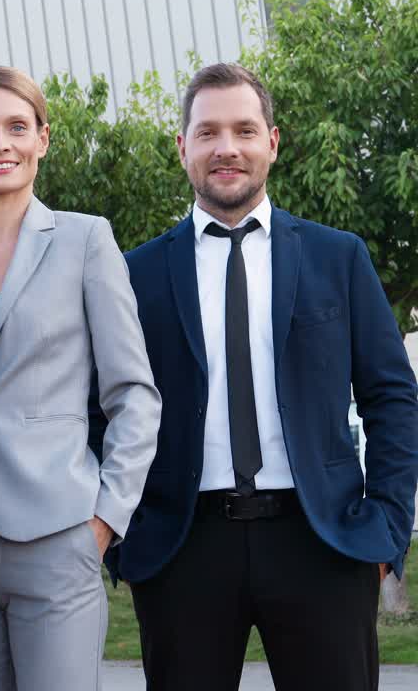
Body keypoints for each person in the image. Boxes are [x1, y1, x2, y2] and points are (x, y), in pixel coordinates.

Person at [110, 62, 418, 690]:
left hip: (323, 542)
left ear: (272, 142)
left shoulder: (339, 257)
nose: (227, 149)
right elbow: (102, 409)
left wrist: (386, 525)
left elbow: (392, 398)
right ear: (183, 147)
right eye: (208, 132)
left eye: (245, 130)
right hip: (181, 550)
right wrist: (124, 539)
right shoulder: (133, 274)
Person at [0, 66, 161, 690]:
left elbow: (133, 394)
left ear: (43, 140)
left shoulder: (86, 240)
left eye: (16, 127)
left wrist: (106, 520)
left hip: (59, 530)